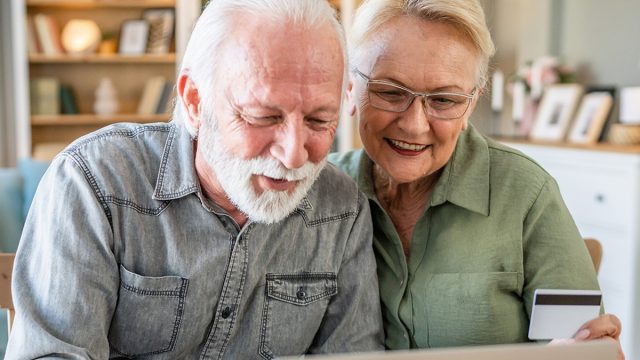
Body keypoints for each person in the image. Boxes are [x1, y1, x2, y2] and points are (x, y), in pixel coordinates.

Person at [6, 1, 384, 358]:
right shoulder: (95, 183)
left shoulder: (342, 212)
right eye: (263, 117)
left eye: (319, 121)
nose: (294, 155)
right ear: (194, 101)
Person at [329, 0, 624, 357]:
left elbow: (587, 351)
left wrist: (581, 350)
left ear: (471, 104)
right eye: (390, 92)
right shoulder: (319, 194)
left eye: (444, 100)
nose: (414, 124)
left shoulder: (527, 194)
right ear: (349, 88)